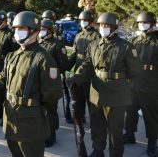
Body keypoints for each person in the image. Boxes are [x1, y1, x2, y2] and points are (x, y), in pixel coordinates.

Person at [0, 11, 63, 157]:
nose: (17, 32)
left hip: (30, 123)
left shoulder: (43, 58)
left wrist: (41, 119)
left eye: (22, 29)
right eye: (15, 29)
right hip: (11, 118)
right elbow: (0, 82)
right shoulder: (12, 56)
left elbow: (52, 96)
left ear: (34, 30)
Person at [67, 12, 141, 157]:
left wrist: (120, 82)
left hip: (116, 93)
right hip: (96, 91)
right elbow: (87, 65)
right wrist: (76, 77)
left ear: (113, 27)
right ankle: (98, 149)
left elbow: (135, 71)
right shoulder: (94, 44)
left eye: (106, 25)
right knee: (97, 125)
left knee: (115, 129)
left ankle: (115, 152)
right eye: (101, 25)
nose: (103, 28)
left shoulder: (126, 47)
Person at [123, 11, 158, 156]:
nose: (143, 25)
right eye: (141, 23)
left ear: (153, 24)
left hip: (151, 85)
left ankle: (152, 142)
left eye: (146, 23)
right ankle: (130, 134)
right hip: (134, 83)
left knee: (151, 115)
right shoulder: (135, 40)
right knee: (130, 112)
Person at [38, 19, 69, 147]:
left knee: (50, 109)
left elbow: (64, 65)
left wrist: (53, 71)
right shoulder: (39, 43)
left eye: (44, 29)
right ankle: (42, 131)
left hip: (51, 82)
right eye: (40, 29)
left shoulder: (57, 45)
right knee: (41, 109)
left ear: (50, 31)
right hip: (40, 81)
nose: (41, 32)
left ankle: (51, 134)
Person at [68, 10, 101, 124]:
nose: (83, 22)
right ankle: (80, 117)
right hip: (78, 70)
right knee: (79, 97)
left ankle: (95, 122)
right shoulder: (79, 35)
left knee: (90, 99)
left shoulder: (96, 36)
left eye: (85, 20)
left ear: (91, 22)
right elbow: (74, 54)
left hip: (89, 72)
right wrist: (65, 66)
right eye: (81, 20)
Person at [0, 11, 17, 122]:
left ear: (4, 21)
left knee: (6, 90)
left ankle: (6, 115)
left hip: (6, 64)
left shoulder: (10, 34)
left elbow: (15, 51)